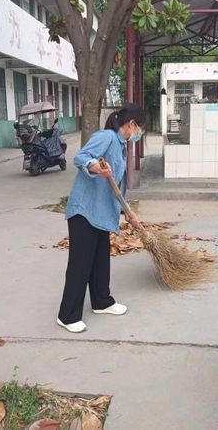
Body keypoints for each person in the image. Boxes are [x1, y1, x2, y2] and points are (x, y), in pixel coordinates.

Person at [57, 104, 146, 333]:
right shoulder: (106, 137)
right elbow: (81, 158)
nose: (139, 134)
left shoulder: (121, 147)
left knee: (100, 261)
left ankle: (101, 302)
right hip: (85, 211)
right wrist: (96, 167)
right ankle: (67, 316)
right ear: (132, 124)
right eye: (140, 129)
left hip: (102, 212)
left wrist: (128, 212)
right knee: (80, 264)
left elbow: (117, 189)